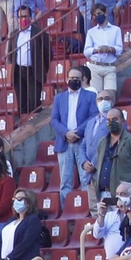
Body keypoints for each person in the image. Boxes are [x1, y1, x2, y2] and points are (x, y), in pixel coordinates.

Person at [51, 66, 99, 196]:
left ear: (82, 79)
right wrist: (66, 133)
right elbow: (54, 120)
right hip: (64, 141)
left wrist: (77, 133)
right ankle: (65, 209)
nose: (74, 80)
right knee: (65, 181)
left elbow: (93, 116)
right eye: (71, 78)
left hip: (82, 141)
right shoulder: (59, 98)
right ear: (67, 79)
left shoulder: (90, 96)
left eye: (77, 78)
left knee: (85, 178)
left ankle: (86, 208)